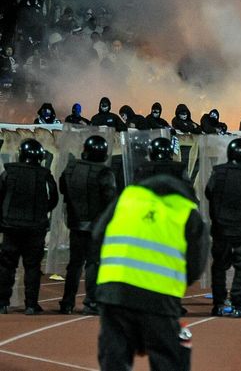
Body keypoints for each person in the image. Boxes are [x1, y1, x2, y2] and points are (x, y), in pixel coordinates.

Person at [93, 174, 209, 370]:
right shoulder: (186, 211)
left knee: (114, 359)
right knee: (169, 358)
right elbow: (196, 264)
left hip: (114, 292)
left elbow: (98, 235)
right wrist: (174, 283)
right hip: (160, 298)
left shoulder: (128, 197)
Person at [205, 138, 241, 318]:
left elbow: (209, 192)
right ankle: (238, 305)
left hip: (221, 228)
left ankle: (219, 305)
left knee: (219, 267)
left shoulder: (218, 172)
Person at [59, 136, 117, 315]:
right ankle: (91, 302)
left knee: (74, 265)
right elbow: (110, 200)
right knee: (93, 265)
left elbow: (63, 189)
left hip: (76, 224)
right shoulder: (105, 173)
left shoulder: (71, 168)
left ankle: (67, 303)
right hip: (96, 227)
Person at [0, 139, 59, 314]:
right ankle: (31, 305)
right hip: (35, 229)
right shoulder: (44, 175)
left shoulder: (8, 173)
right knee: (32, 267)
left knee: (6, 266)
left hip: (11, 227)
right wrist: (41, 212)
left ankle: (2, 303)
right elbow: (53, 199)